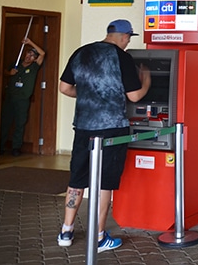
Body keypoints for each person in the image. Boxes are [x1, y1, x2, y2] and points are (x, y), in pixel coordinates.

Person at [57, 19, 150, 253]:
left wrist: (89, 95)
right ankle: (98, 237)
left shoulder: (81, 53)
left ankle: (66, 231)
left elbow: (65, 88)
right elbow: (135, 96)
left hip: (83, 128)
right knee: (103, 183)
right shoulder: (121, 57)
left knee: (77, 179)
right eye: (129, 37)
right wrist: (146, 81)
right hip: (111, 129)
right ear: (122, 36)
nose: (129, 42)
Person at [0, 37, 46, 156]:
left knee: (20, 123)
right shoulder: (16, 64)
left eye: (32, 56)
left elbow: (43, 53)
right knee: (5, 122)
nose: (29, 57)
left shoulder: (34, 67)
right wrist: (9, 73)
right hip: (10, 97)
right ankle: (0, 146)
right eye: (28, 53)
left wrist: (30, 42)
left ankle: (16, 147)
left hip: (23, 100)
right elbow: (3, 71)